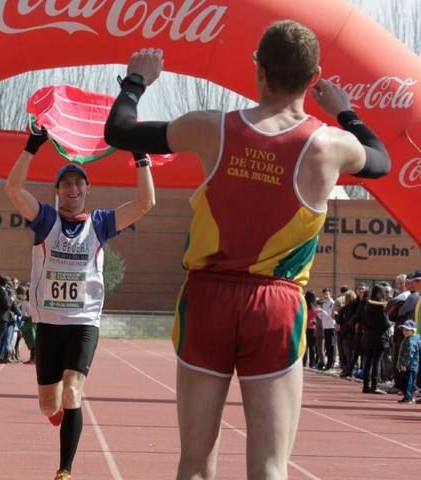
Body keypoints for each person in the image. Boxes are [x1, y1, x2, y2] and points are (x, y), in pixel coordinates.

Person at [103, 20, 390, 479]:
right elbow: (381, 160)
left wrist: (136, 81)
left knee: (195, 461)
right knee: (271, 466)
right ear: (313, 78)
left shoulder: (209, 127)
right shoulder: (330, 145)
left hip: (208, 298)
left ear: (257, 70)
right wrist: (345, 112)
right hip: (275, 306)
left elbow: (119, 131)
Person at [5, 126, 155, 480]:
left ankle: (64, 471)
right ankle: (58, 416)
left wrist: (140, 156)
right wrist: (31, 147)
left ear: (87, 188)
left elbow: (146, 202)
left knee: (73, 390)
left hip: (84, 322)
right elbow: (12, 188)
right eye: (66, 184)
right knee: (48, 404)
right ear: (57, 191)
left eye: (79, 183)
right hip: (49, 323)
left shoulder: (101, 223)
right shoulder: (45, 220)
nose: (73, 189)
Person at [396, 320, 420, 404]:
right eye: (403, 330)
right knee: (406, 382)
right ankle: (408, 396)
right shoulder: (409, 338)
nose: (404, 332)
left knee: (409, 382)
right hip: (410, 365)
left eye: (407, 330)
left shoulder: (411, 340)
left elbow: (409, 354)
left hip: (411, 366)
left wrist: (404, 364)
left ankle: (409, 397)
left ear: (413, 331)